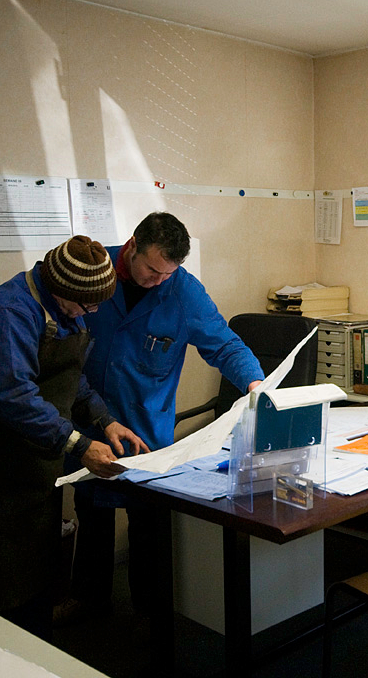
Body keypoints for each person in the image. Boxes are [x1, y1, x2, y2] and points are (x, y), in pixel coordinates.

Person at [0, 235, 149, 639]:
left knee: (39, 567)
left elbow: (69, 378)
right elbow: (12, 396)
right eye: (87, 305)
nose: (91, 313)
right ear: (60, 289)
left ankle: (33, 649)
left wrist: (105, 420)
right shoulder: (6, 313)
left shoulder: (66, 309)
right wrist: (80, 445)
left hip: (34, 463)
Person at [62, 212, 264, 620]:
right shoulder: (97, 275)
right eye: (152, 270)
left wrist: (256, 383)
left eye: (166, 274)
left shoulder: (183, 292)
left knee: (149, 528)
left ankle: (151, 616)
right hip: (88, 423)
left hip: (146, 428)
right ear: (132, 245)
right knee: (93, 516)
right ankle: (90, 603)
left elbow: (225, 345)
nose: (157, 281)